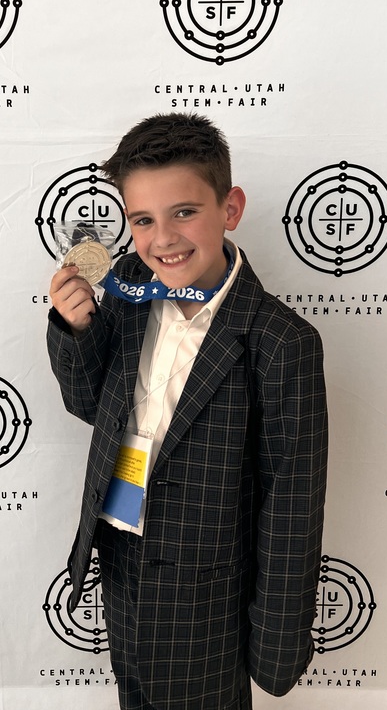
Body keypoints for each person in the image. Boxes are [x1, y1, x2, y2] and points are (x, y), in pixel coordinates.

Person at [47, 113, 327, 710]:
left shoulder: (281, 342)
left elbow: (291, 503)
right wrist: (75, 326)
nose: (163, 239)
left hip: (208, 593)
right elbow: (88, 404)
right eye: (143, 220)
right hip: (122, 555)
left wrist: (277, 640)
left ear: (230, 209)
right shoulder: (126, 284)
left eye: (184, 212)